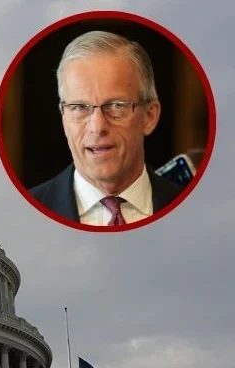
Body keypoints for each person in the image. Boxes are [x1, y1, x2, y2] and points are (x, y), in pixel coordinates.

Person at [29, 30, 182, 226]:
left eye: (116, 106)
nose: (97, 127)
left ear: (149, 116)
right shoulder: (26, 214)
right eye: (80, 107)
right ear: (64, 117)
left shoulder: (196, 211)